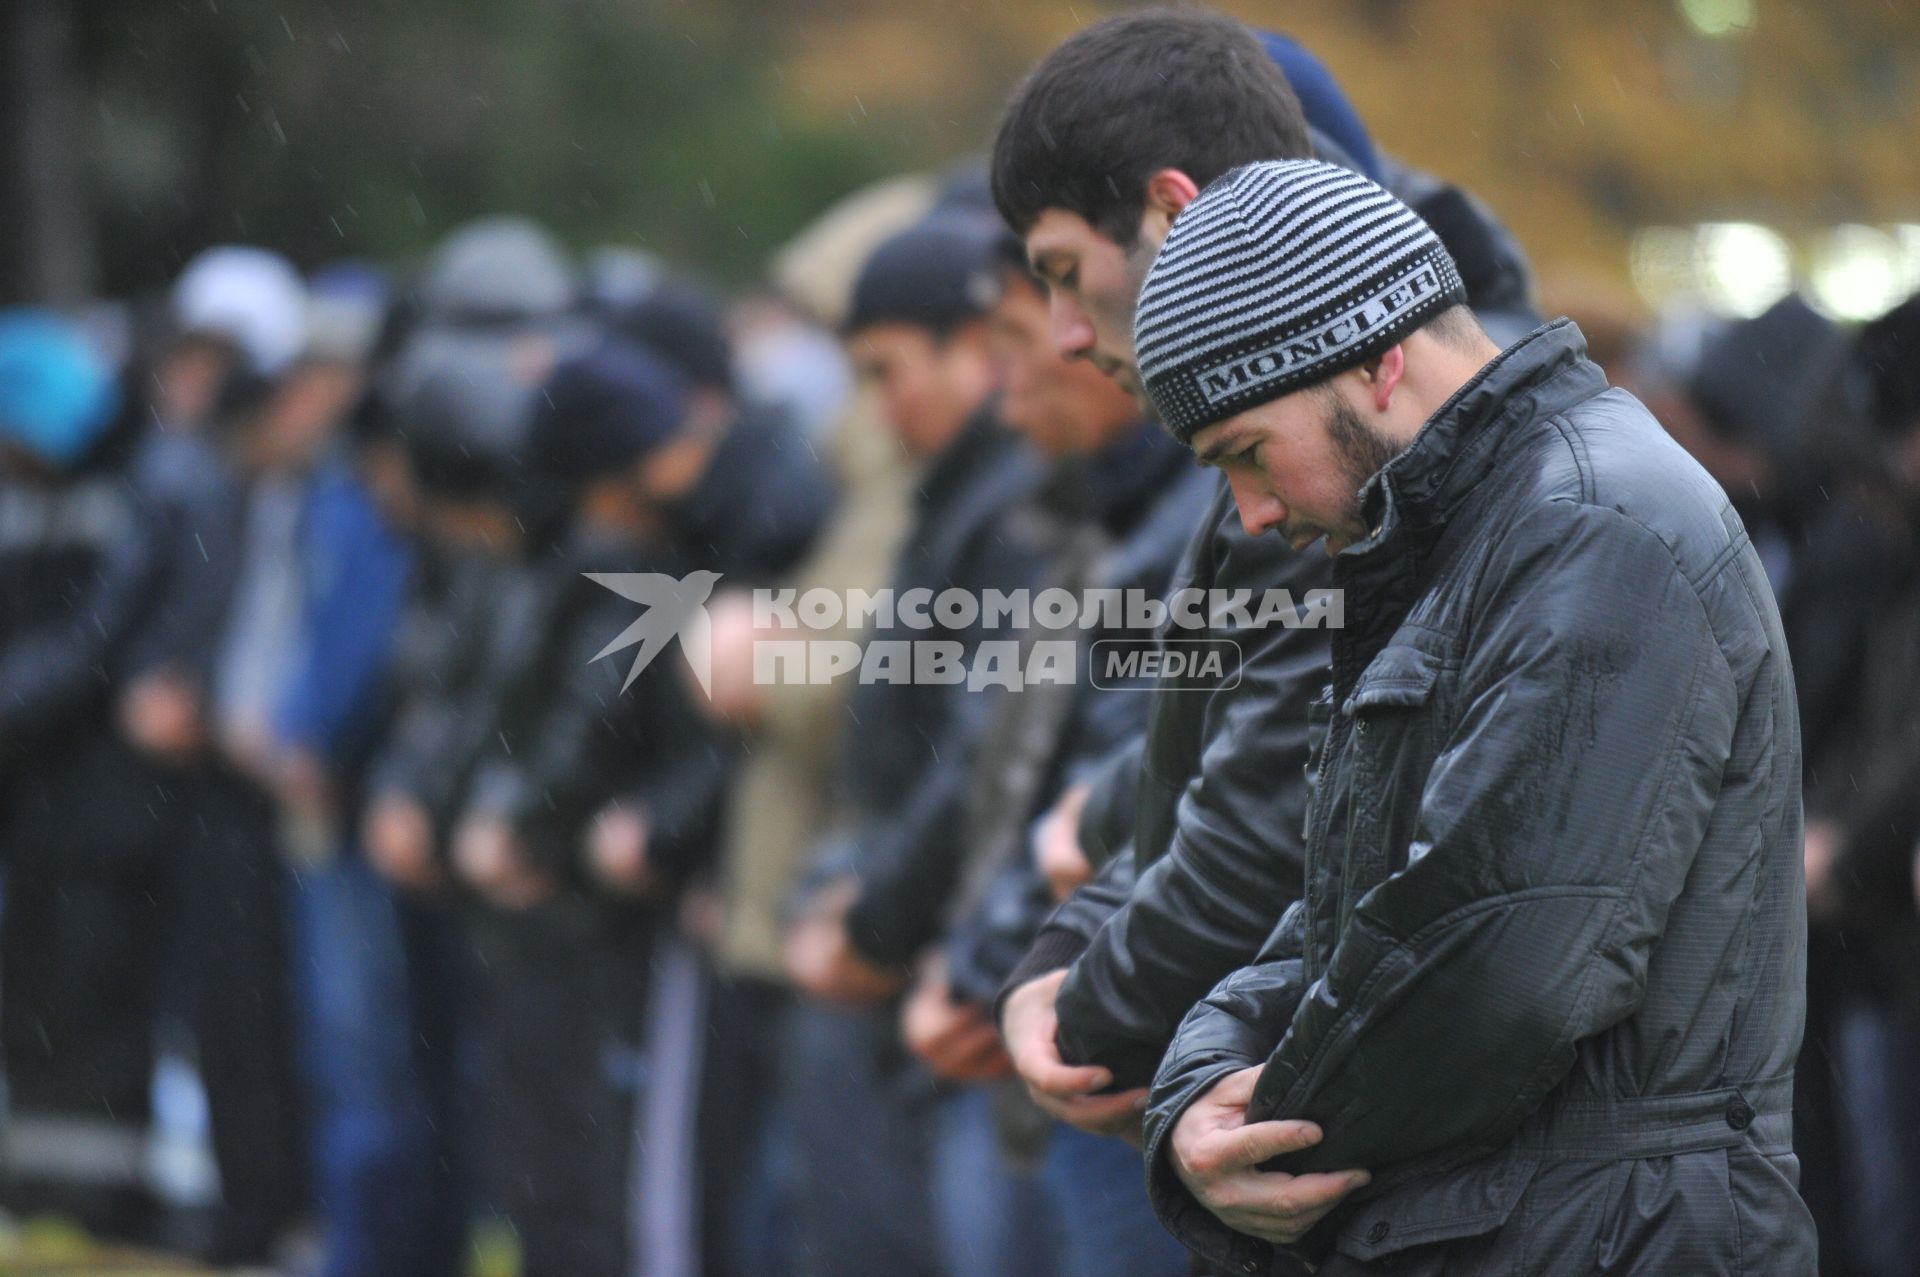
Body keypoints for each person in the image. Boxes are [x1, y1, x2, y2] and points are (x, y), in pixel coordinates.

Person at [1132, 159, 1813, 1275]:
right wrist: (1201, 1086)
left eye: (1247, 453)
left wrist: (1248, 1136)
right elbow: (1346, 917)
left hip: (1608, 1237)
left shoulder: (1595, 526)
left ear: (1377, 359)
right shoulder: (1467, 540)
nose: (1250, 512)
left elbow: (1494, 971)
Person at [777, 211, 1050, 1277]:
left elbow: (986, 750)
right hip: (925, 925)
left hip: (959, 956)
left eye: (888, 370)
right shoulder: (960, 493)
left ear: (974, 348)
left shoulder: (1019, 503)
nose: (877, 408)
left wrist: (875, 914)